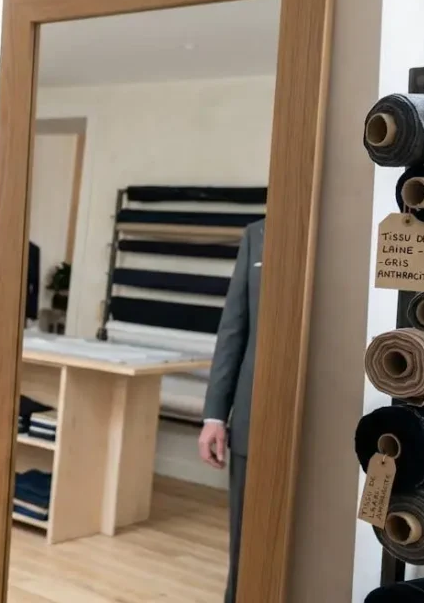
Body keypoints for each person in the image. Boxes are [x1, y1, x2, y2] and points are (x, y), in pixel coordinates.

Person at [198, 217, 265, 603]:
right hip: (250, 417)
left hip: (318, 418)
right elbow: (234, 328)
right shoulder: (256, 235)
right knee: (243, 540)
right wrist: (214, 416)